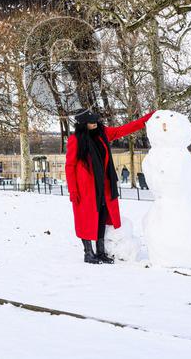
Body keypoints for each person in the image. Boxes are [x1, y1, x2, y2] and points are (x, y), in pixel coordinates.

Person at [66, 107, 154, 264]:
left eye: (95, 120)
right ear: (83, 124)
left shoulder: (103, 133)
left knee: (101, 216)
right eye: (91, 121)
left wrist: (147, 119)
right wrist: (73, 190)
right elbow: (70, 166)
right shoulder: (75, 140)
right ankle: (88, 253)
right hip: (85, 189)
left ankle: (100, 252)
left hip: (104, 185)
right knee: (86, 220)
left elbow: (124, 129)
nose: (95, 123)